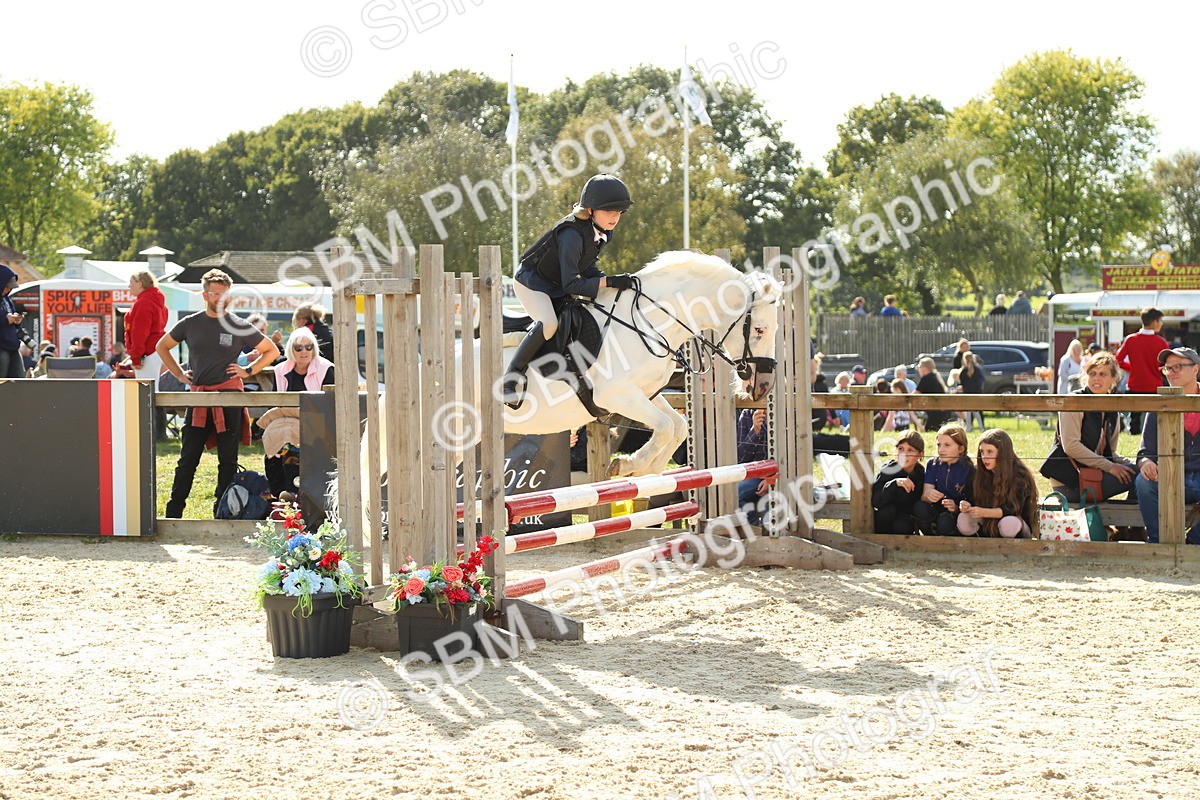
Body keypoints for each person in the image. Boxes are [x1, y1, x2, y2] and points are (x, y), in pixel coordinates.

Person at [156, 269, 280, 518]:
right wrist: (180, 375)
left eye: (223, 294)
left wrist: (247, 370)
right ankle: (174, 513)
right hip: (198, 397)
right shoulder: (190, 323)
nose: (219, 298)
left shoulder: (238, 324)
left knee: (228, 460)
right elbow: (162, 346)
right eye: (214, 293)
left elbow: (271, 350)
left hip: (229, 398)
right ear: (205, 294)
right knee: (187, 458)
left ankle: (223, 513)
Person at [503, 173, 634, 407]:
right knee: (550, 323)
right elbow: (572, 284)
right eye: (608, 211)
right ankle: (511, 379)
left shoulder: (603, 230)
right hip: (532, 282)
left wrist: (610, 281)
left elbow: (586, 265)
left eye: (619, 212)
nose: (615, 217)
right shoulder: (572, 234)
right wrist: (609, 282)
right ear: (591, 210)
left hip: (555, 284)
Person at [1041, 351, 1135, 503]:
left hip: (1093, 475)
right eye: (1092, 373)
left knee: (1142, 470)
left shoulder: (1113, 410)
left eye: (1103, 374)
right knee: (1139, 474)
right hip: (1069, 482)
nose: (1096, 378)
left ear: (1114, 379)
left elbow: (1110, 453)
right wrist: (1110, 467)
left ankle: (1130, 523)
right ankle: (1128, 524)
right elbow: (1071, 446)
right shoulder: (1073, 401)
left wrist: (1131, 463)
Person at [1135, 347, 1200, 545]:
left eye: (1177, 367)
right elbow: (1145, 452)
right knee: (1143, 482)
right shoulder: (1158, 405)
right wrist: (1145, 462)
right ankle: (1157, 543)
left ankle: (1192, 543)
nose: (1171, 373)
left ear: (1195, 369)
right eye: (1167, 368)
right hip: (1171, 475)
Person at [958, 429, 1039, 538]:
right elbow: (969, 496)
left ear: (1002, 453)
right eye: (982, 451)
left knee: (1009, 524)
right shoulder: (977, 473)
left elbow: (1012, 509)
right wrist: (965, 505)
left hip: (1014, 524)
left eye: (990, 452)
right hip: (986, 523)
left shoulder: (1020, 475)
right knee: (964, 518)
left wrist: (983, 512)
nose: (984, 456)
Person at [914, 423, 974, 536]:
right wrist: (928, 494)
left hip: (954, 513)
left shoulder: (969, 468)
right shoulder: (932, 464)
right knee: (919, 507)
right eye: (939, 445)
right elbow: (924, 496)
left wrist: (955, 507)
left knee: (945, 523)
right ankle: (929, 537)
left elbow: (970, 502)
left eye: (947, 445)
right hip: (935, 509)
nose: (941, 449)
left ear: (961, 448)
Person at [1116, 307, 1169, 435]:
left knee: (1134, 421)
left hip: (1135, 384)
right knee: (1155, 420)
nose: (1161, 324)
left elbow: (1117, 360)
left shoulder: (1131, 339)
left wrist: (1133, 368)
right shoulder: (1162, 343)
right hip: (1154, 385)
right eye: (1160, 321)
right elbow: (1166, 366)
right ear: (1155, 322)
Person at [872, 430, 926, 533]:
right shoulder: (888, 469)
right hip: (885, 517)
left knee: (902, 525)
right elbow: (876, 501)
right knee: (888, 511)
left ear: (920, 454)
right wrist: (894, 484)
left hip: (905, 518)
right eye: (900, 449)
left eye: (910, 450)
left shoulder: (920, 474)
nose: (904, 454)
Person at [123, 269, 169, 381]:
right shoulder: (158, 302)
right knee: (153, 389)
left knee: (145, 391)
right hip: (156, 350)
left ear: (140, 283)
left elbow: (139, 332)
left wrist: (136, 357)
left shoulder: (143, 303)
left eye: (131, 282)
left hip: (147, 352)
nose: (129, 286)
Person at [736, 402, 769, 525]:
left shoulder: (788, 412)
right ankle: (754, 527)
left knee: (771, 508)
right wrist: (754, 431)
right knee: (733, 492)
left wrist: (772, 478)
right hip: (754, 477)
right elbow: (741, 457)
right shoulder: (747, 413)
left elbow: (793, 454)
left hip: (782, 475)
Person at [273, 327, 335, 392]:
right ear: (291, 350)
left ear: (313, 349)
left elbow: (331, 399)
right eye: (298, 347)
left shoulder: (326, 369)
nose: (304, 351)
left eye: (308, 347)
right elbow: (274, 400)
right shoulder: (279, 370)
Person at [914, 356, 951, 430]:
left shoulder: (926, 378)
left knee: (930, 429)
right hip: (942, 411)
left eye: (920, 367)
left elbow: (916, 394)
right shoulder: (935, 376)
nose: (919, 369)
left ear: (925, 367)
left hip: (935, 412)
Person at [959, 350, 986, 431]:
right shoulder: (978, 369)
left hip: (967, 393)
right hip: (977, 393)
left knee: (968, 411)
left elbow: (962, 382)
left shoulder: (964, 371)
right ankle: (981, 426)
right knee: (976, 411)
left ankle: (969, 426)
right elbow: (982, 380)